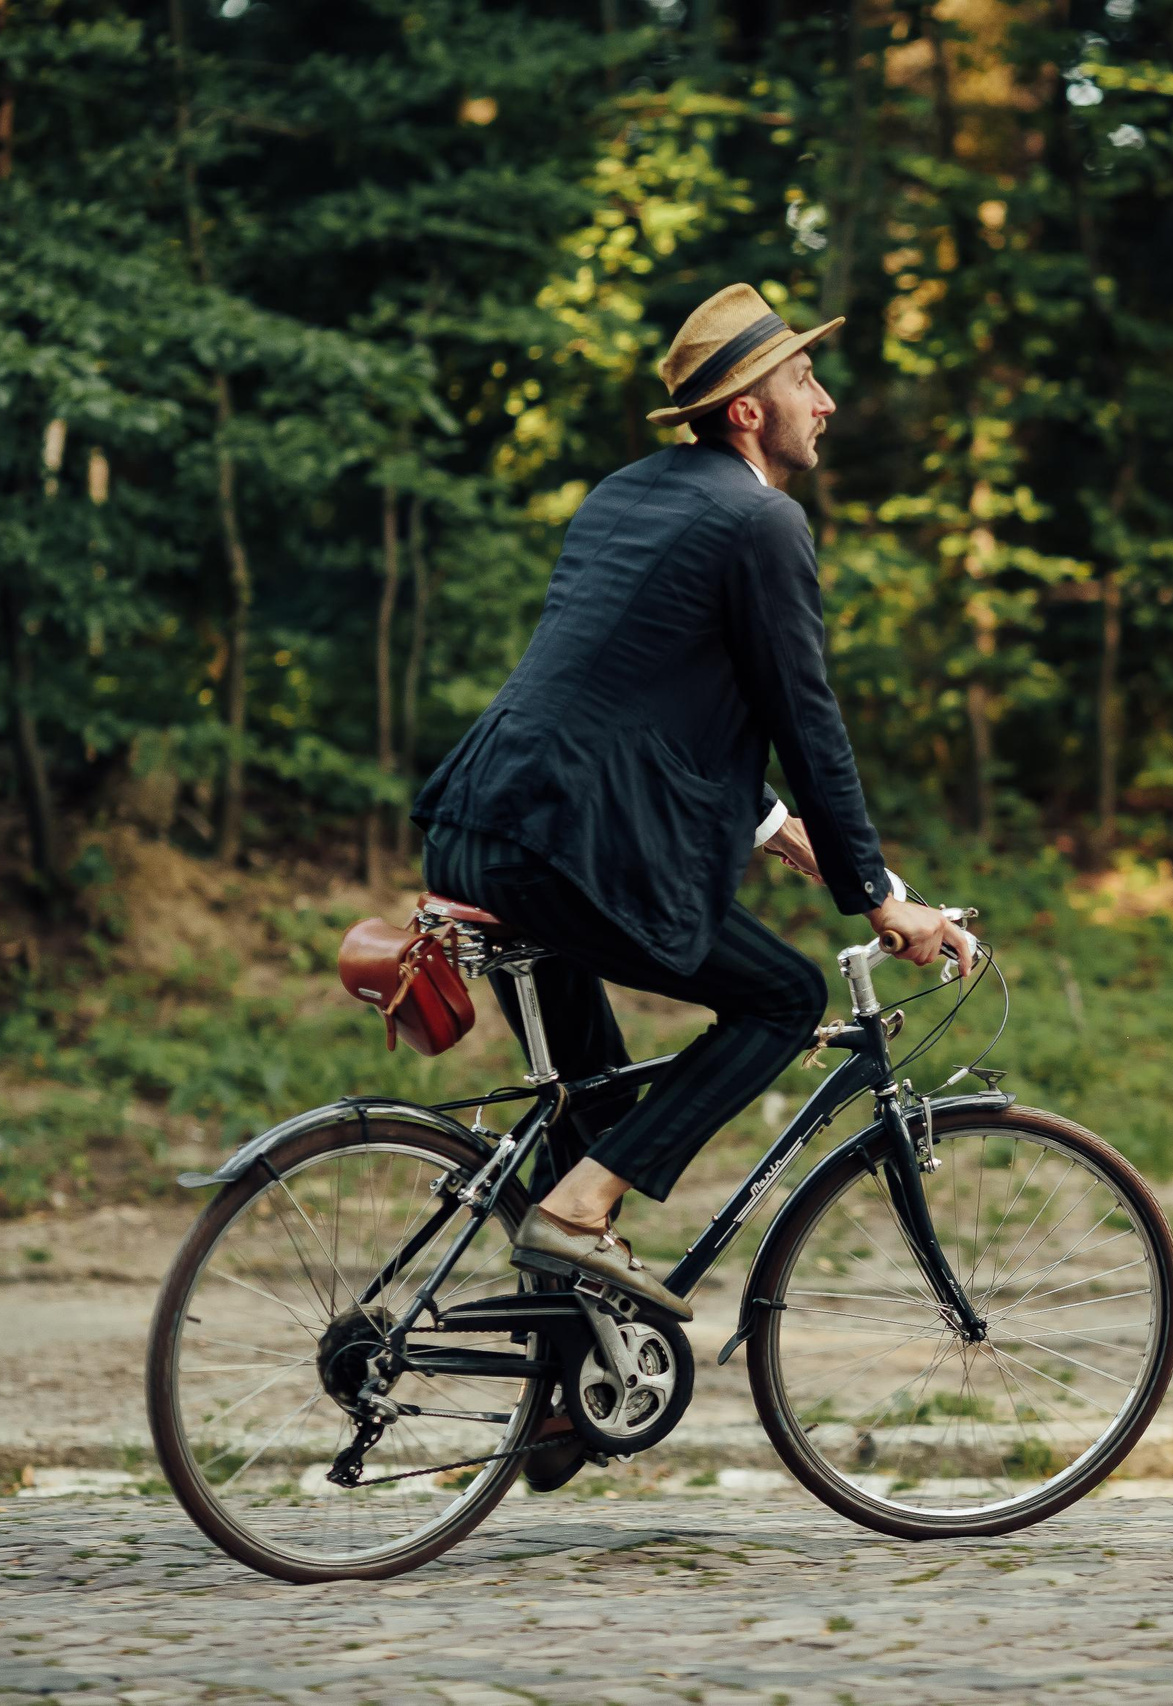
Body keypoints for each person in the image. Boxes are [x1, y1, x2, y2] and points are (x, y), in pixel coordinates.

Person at [409, 284, 967, 1473]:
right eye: (806, 381)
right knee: (774, 996)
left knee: (595, 1108)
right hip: (571, 845)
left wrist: (809, 846)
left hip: (487, 819)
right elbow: (803, 721)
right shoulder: (761, 525)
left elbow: (640, 703)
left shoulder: (632, 493)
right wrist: (876, 897)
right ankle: (574, 1213)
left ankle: (562, 1398)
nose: (826, 398)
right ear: (751, 409)